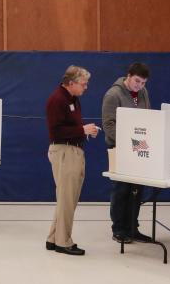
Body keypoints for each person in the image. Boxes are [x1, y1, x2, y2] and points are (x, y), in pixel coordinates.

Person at [45, 66, 99, 256]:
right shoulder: (57, 100)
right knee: (67, 200)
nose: (86, 87)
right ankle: (63, 242)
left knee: (65, 199)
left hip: (72, 150)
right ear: (71, 83)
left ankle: (53, 238)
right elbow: (57, 131)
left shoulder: (72, 99)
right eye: (83, 84)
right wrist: (81, 131)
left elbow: (72, 127)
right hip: (64, 152)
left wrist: (85, 131)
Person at [102, 62, 153, 244]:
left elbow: (147, 118)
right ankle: (118, 228)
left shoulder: (143, 93)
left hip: (139, 149)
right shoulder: (113, 95)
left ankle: (133, 227)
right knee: (121, 190)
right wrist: (128, 143)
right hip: (120, 149)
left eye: (143, 83)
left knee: (136, 190)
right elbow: (108, 125)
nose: (139, 86)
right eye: (137, 81)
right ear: (128, 76)